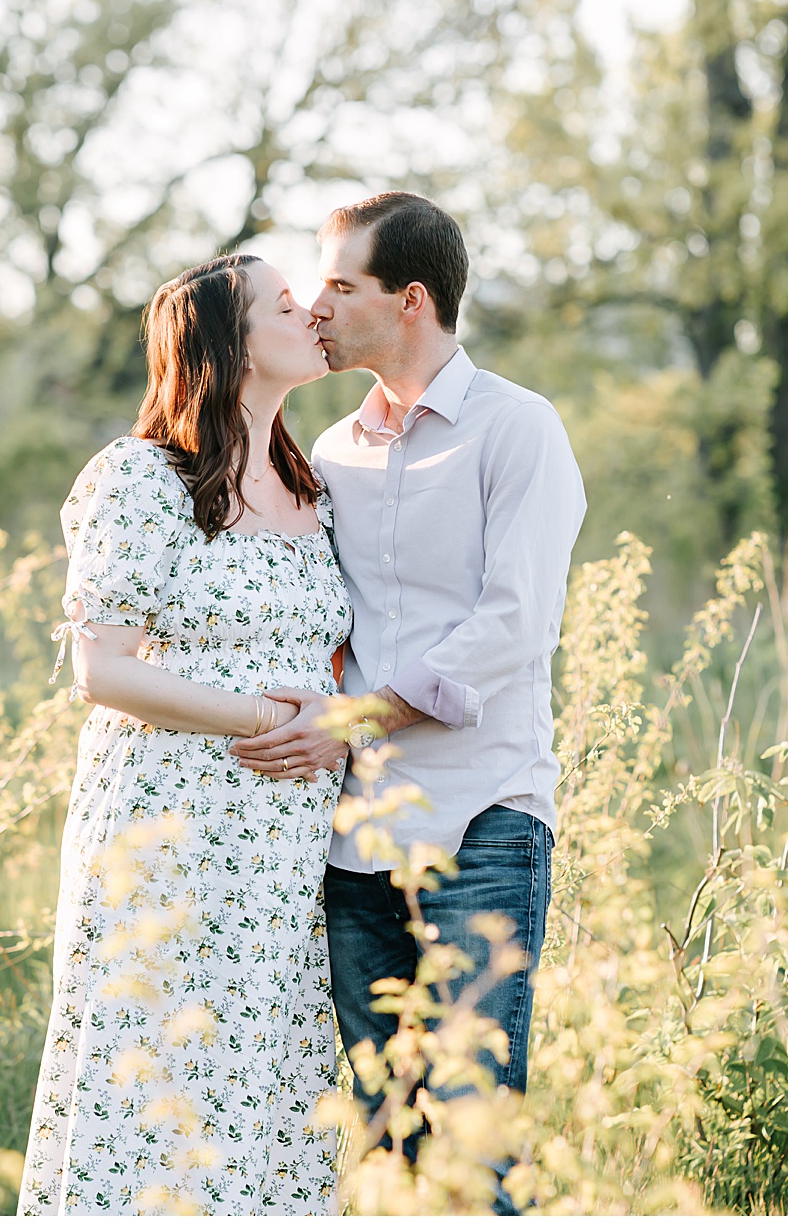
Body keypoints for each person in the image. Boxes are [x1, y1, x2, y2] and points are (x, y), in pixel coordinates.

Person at [231, 192, 587, 1213]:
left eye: (341, 284)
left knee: (475, 1133)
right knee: (382, 1137)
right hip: (351, 842)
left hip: (482, 817)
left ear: (411, 301)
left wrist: (352, 717)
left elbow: (514, 622)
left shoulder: (516, 430)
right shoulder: (330, 451)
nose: (316, 303)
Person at [17, 254, 349, 1215]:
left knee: (265, 1088)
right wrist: (262, 720)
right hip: (170, 828)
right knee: (154, 1078)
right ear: (232, 343)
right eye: (287, 305)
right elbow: (104, 669)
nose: (312, 313)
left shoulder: (314, 487)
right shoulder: (143, 478)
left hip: (285, 851)